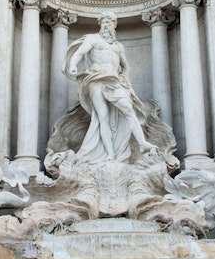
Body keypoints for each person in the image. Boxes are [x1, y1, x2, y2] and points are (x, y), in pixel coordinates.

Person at [64, 12, 155, 163]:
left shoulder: (118, 46)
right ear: (100, 23)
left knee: (129, 110)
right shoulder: (93, 39)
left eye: (111, 22)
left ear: (115, 25)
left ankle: (142, 143)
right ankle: (110, 154)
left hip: (114, 81)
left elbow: (126, 66)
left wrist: (124, 77)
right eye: (105, 22)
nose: (108, 24)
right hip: (96, 79)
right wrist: (73, 65)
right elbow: (79, 53)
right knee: (102, 117)